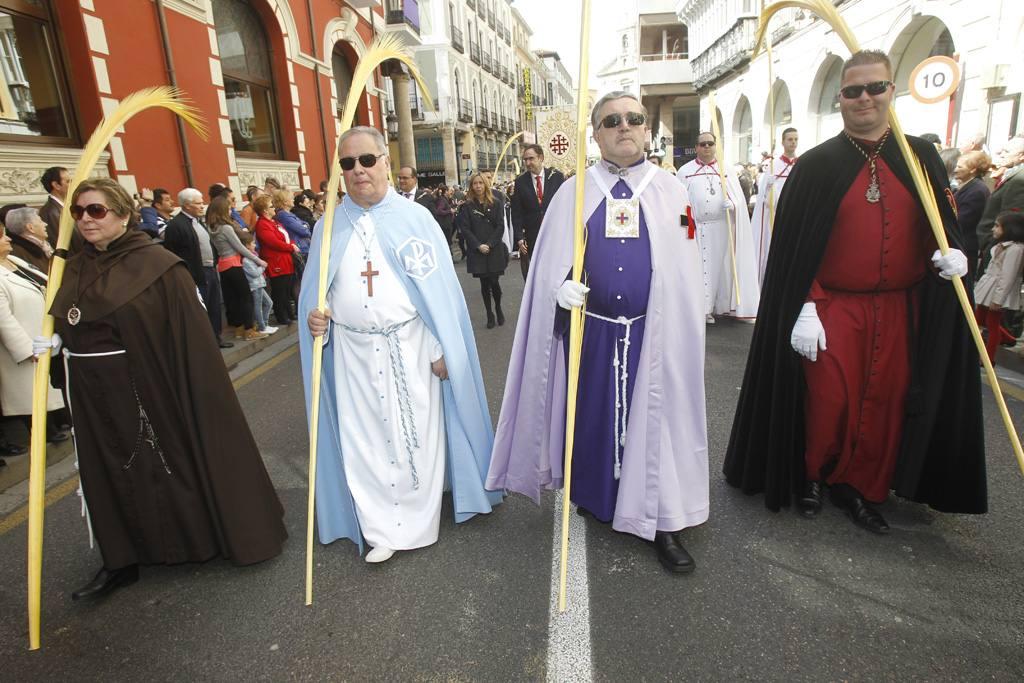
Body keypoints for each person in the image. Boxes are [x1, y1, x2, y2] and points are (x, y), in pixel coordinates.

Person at [724, 50, 985, 534]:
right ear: (840, 98)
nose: (864, 98)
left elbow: (939, 224)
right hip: (833, 306)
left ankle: (862, 486)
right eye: (852, 91)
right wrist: (804, 303)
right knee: (830, 397)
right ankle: (815, 474)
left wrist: (953, 253)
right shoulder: (817, 165)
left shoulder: (920, 156)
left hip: (900, 306)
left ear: (891, 91)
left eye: (875, 88)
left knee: (886, 399)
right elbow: (793, 250)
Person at [486, 92, 708, 573]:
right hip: (595, 334)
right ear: (596, 133)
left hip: (654, 334)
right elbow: (550, 264)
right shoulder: (574, 192)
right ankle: (599, 498)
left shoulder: (671, 190)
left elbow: (688, 264)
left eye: (633, 118)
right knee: (593, 421)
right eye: (611, 120)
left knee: (658, 426)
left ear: (646, 128)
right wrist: (558, 289)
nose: (623, 126)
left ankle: (662, 521)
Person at [39, 177, 286, 599]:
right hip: (90, 394)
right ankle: (120, 559)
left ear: (121, 214)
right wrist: (60, 339)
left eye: (96, 210)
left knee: (158, 467)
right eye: (78, 212)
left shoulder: (157, 264)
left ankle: (188, 542)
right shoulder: (74, 264)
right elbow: (75, 314)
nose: (85, 219)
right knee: (106, 473)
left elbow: (179, 333)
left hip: (144, 387)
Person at [299, 126, 501, 563]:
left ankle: (416, 520)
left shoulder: (416, 220)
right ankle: (379, 529)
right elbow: (318, 295)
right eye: (347, 164)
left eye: (367, 160)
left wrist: (441, 345)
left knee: (416, 435)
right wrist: (318, 320)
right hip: (351, 353)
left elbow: (438, 294)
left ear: (385, 163)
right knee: (364, 439)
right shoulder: (326, 227)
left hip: (410, 347)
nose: (358, 171)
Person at [677, 132, 760, 323]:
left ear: (716, 146)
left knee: (720, 268)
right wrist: (685, 229)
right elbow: (679, 204)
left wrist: (733, 204)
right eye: (702, 144)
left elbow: (738, 199)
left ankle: (718, 306)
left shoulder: (726, 170)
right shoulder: (685, 171)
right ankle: (702, 308)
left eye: (710, 144)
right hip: (696, 227)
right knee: (699, 268)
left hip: (721, 227)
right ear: (696, 148)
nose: (706, 147)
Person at [0, 224, 68, 445]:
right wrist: (25, 348)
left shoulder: (16, 262)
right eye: (2, 236)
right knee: (34, 398)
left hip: (48, 338)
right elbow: (3, 318)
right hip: (29, 346)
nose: (8, 239)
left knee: (51, 392)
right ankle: (42, 437)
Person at [163, 188, 232, 349]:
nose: (203, 206)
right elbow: (172, 252)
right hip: (196, 274)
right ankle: (205, 343)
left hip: (209, 270)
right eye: (199, 203)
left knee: (214, 307)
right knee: (202, 310)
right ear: (187, 205)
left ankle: (216, 338)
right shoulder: (176, 225)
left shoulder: (198, 221)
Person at [207, 196, 267, 341]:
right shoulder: (227, 228)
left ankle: (239, 328)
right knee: (246, 297)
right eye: (228, 208)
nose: (231, 210)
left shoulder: (212, 228)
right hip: (234, 263)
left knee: (234, 299)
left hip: (223, 264)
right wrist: (258, 260)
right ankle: (249, 330)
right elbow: (239, 247)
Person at [455, 172, 509, 328]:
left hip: (494, 249)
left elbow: (500, 226)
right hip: (477, 250)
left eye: (480, 183)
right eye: (474, 183)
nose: (478, 186)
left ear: (485, 184)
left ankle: (498, 307)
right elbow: (465, 229)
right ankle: (489, 314)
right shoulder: (467, 206)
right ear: (471, 186)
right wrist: (478, 245)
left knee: (494, 282)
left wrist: (490, 244)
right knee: (484, 284)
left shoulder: (496, 203)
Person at [510, 143, 565, 280]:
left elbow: (565, 205)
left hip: (555, 234)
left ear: (541, 157)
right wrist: (519, 238)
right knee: (539, 272)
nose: (528, 163)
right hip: (533, 235)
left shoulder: (556, 177)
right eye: (525, 160)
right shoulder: (520, 182)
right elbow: (516, 212)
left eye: (531, 158)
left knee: (557, 269)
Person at [751, 127, 799, 285]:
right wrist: (769, 187)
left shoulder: (802, 165)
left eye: (795, 139)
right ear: (783, 142)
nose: (793, 142)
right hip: (777, 216)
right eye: (790, 139)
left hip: (795, 217)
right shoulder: (773, 167)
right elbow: (764, 200)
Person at [975, 211, 1024, 363]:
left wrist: (998, 299)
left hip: (996, 290)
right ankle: (1005, 339)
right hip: (989, 287)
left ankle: (988, 358)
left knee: (991, 324)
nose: (993, 229)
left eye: (997, 226)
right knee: (979, 319)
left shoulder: (1015, 249)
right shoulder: (1002, 246)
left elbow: (1007, 276)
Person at [976, 137, 1024, 260]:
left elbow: (1010, 218)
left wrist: (990, 245)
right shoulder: (1013, 172)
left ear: (1021, 156)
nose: (1000, 154)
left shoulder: (1020, 179)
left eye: (1006, 151)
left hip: (998, 248)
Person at [253, 194, 296, 326]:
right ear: (265, 210)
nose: (274, 208)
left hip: (285, 259)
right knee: (279, 290)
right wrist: (290, 247)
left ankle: (289, 313)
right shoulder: (262, 224)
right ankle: (282, 316)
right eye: (271, 206)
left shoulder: (274, 222)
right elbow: (273, 242)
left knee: (287, 288)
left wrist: (291, 244)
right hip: (276, 261)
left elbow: (285, 236)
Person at [953, 150, 992, 279]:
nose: (955, 169)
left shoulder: (977, 190)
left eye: (960, 167)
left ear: (973, 170)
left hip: (965, 246)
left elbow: (963, 220)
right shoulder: (965, 186)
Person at [240, 229, 276, 335]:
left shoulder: (253, 257)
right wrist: (262, 266)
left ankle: (264, 323)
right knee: (258, 306)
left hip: (259, 284)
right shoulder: (246, 260)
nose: (255, 245)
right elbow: (255, 273)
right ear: (247, 246)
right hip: (255, 286)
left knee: (269, 303)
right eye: (253, 243)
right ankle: (262, 326)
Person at [5, 207, 53, 274]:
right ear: (30, 228)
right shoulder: (19, 253)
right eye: (40, 221)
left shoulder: (44, 247)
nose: (45, 224)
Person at [38, 166, 70, 250]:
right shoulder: (50, 213)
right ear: (56, 185)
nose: (73, 184)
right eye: (68, 181)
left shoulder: (64, 207)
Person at [273, 188, 311, 255]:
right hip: (300, 249)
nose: (293, 200)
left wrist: (305, 226)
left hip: (303, 246)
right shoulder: (284, 216)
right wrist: (304, 226)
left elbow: (306, 224)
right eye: (291, 198)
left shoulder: (289, 213)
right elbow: (304, 231)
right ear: (285, 202)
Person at [433, 185, 457, 250]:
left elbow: (446, 206)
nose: (451, 192)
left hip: (446, 224)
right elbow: (439, 211)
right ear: (446, 192)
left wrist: (455, 205)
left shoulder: (444, 199)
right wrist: (450, 211)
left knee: (448, 242)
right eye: (450, 191)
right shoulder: (442, 199)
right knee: (447, 243)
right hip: (445, 225)